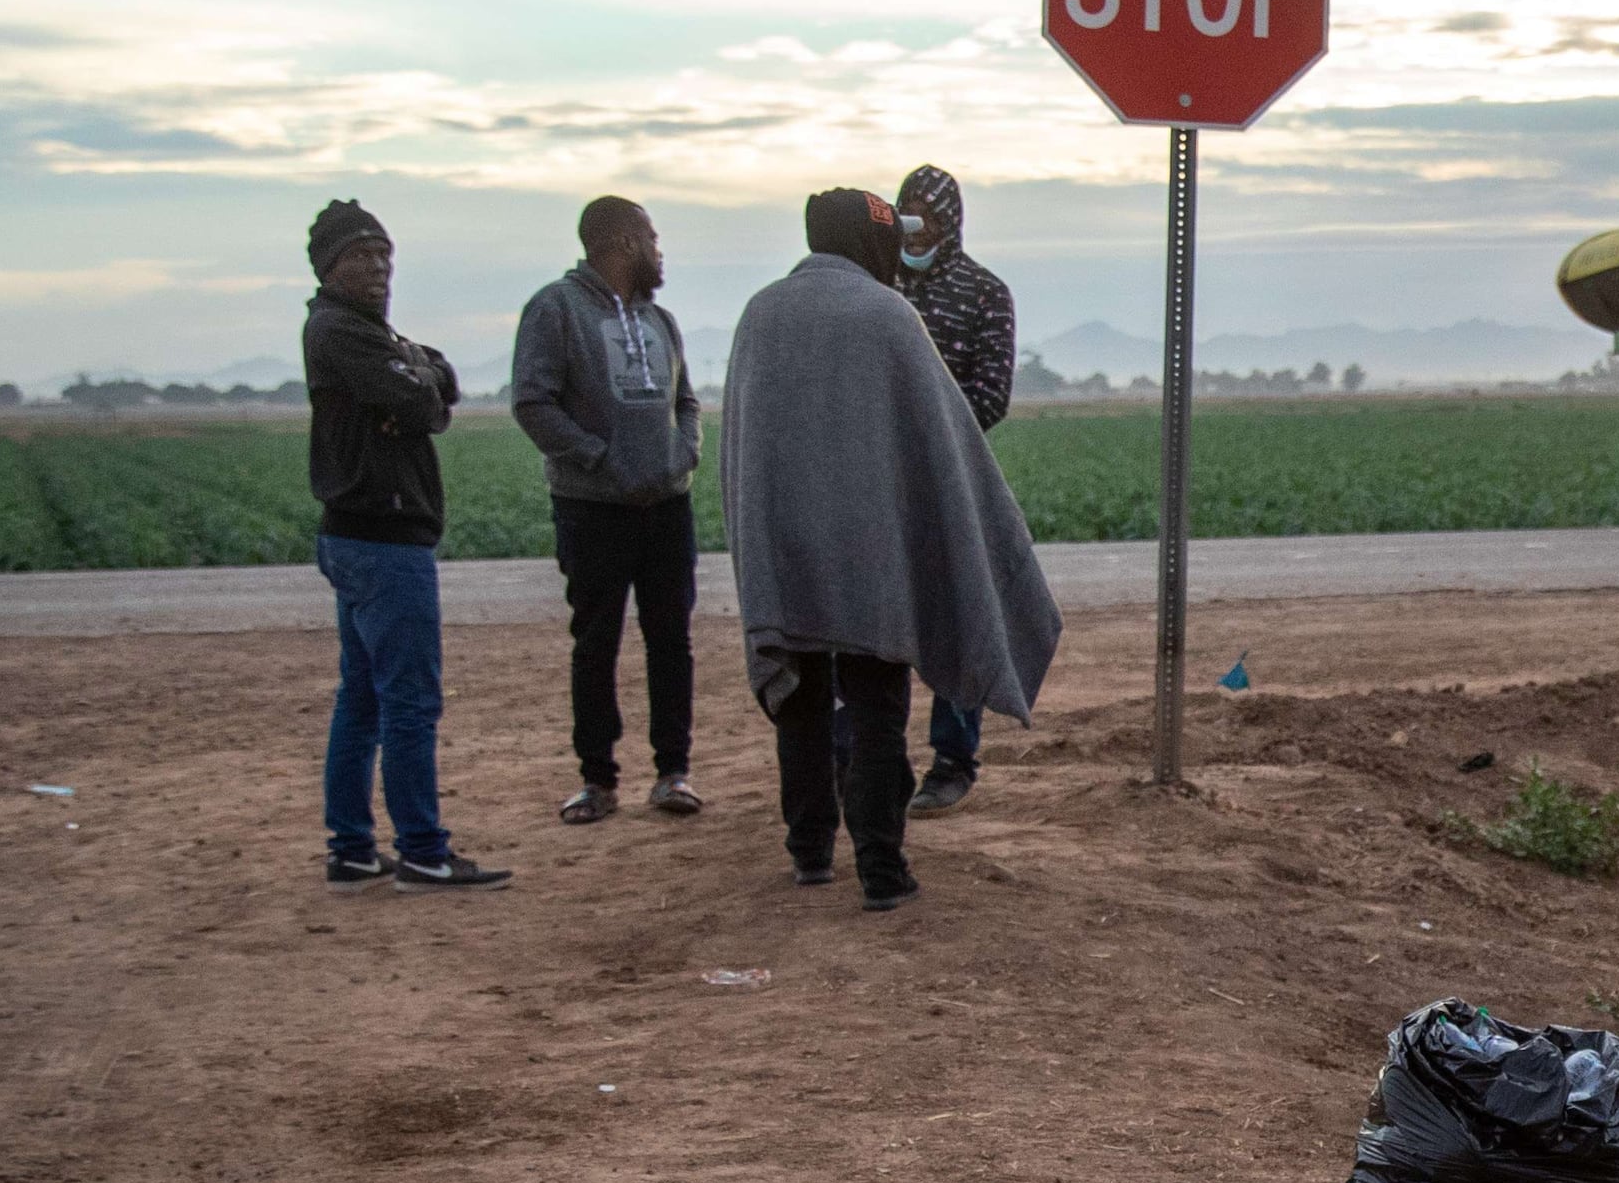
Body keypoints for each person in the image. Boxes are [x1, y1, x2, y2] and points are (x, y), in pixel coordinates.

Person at [717, 188, 1061, 911]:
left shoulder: (760, 314)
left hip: (786, 551)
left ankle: (809, 853)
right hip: (871, 556)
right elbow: (946, 440)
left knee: (803, 705)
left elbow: (741, 445)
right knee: (877, 709)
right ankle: (881, 869)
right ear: (872, 242)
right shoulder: (887, 315)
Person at [299, 198, 503, 890]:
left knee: (362, 699)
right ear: (329, 266)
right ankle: (422, 849)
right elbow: (426, 402)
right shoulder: (340, 332)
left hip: (361, 538)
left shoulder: (357, 330)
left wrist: (418, 375)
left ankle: (353, 850)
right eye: (361, 255)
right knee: (409, 701)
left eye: (384, 254)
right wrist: (418, 383)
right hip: (385, 541)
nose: (379, 267)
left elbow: (437, 376)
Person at [510, 195, 704, 825]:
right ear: (623, 243)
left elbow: (686, 402)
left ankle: (673, 773)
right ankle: (598, 781)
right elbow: (533, 402)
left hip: (666, 508)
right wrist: (597, 458)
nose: (660, 249)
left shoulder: (661, 320)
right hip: (592, 509)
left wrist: (681, 456)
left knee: (671, 640)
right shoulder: (555, 309)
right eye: (652, 237)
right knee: (596, 642)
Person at [890, 165, 1016, 816]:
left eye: (927, 218)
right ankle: (878, 760)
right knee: (881, 621)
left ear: (951, 222)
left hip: (954, 482)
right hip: (882, 485)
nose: (916, 230)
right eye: (906, 215)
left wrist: (924, 430)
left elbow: (991, 396)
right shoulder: (877, 287)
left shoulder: (984, 293)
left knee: (957, 620)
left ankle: (952, 761)